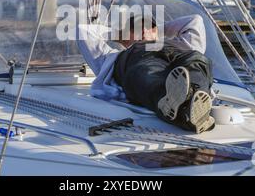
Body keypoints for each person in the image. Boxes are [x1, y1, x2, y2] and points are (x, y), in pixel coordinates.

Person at [77, 14, 215, 133]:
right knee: (144, 72)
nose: (143, 30)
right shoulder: (110, 57)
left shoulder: (179, 45)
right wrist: (120, 35)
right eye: (136, 28)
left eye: (149, 27)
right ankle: (169, 102)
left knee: (198, 60)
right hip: (140, 63)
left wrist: (159, 32)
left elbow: (195, 20)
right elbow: (83, 30)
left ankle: (197, 98)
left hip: (175, 61)